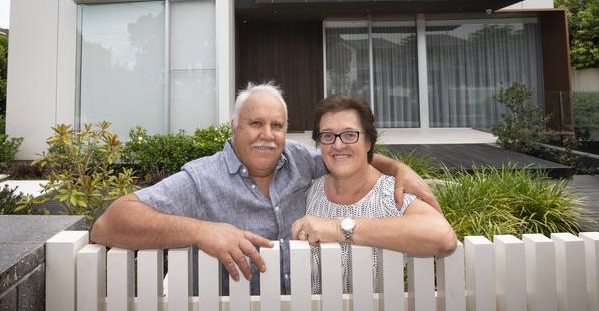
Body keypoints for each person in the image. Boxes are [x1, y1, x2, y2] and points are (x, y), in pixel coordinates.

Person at [91, 82, 443, 295]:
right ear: (233, 128)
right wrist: (200, 231)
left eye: (277, 125)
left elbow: (344, 154)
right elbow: (108, 224)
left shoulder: (302, 162)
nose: (267, 134)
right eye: (255, 123)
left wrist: (397, 167)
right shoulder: (201, 179)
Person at [291, 95, 456, 294]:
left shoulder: (391, 195)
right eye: (327, 135)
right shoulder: (308, 190)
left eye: (350, 134)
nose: (338, 145)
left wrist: (338, 228)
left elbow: (443, 237)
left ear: (368, 141)